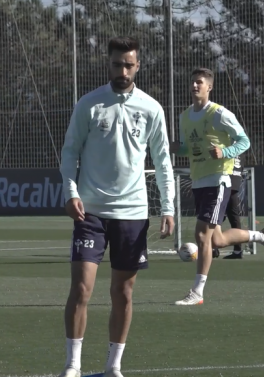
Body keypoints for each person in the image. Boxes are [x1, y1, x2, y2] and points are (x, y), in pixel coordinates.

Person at [58, 36, 176, 377]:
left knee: (122, 291)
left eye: (128, 64)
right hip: (90, 210)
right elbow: (70, 152)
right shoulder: (89, 104)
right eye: (116, 64)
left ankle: (113, 367)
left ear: (137, 66)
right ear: (107, 64)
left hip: (134, 213)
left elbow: (163, 161)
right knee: (81, 288)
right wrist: (70, 191)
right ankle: (73, 366)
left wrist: (167, 207)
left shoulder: (152, 108)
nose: (122, 70)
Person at [170, 68, 264, 306]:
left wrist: (225, 151)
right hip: (199, 180)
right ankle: (261, 237)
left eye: (199, 82)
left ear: (209, 87)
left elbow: (244, 141)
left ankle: (197, 293)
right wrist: (177, 149)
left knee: (201, 235)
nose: (195, 86)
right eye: (192, 82)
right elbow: (189, 149)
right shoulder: (184, 117)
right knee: (217, 240)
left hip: (219, 178)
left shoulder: (219, 113)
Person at [219, 152, 249, 259]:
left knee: (216, 215)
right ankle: (237, 250)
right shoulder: (240, 148)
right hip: (235, 182)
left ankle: (213, 248)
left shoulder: (228, 143)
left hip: (226, 181)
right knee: (231, 216)